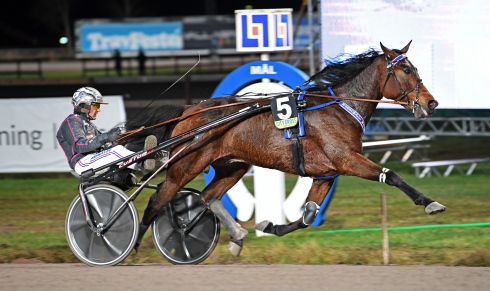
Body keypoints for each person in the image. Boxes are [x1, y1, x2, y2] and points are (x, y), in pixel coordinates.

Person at [56, 87, 160, 178]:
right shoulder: (71, 121)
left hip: (95, 159)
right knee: (118, 151)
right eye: (96, 106)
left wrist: (127, 138)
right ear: (84, 105)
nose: (99, 110)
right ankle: (143, 162)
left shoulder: (90, 125)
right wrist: (108, 136)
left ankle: (161, 158)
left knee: (128, 146)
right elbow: (80, 145)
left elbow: (107, 144)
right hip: (82, 163)